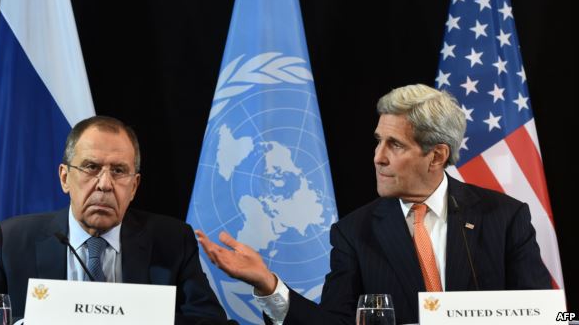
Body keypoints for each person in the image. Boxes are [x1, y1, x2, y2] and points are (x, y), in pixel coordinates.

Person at [196, 84, 552, 324]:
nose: (377, 157)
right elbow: (334, 322)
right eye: (378, 141)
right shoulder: (355, 232)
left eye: (395, 145)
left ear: (436, 155)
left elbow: (543, 316)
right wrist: (269, 284)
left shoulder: (504, 218)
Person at [0, 116, 230, 325]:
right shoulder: (14, 239)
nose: (105, 184)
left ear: (134, 186)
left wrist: (143, 319)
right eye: (91, 167)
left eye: (119, 171)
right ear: (65, 177)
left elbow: (210, 322)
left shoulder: (171, 240)